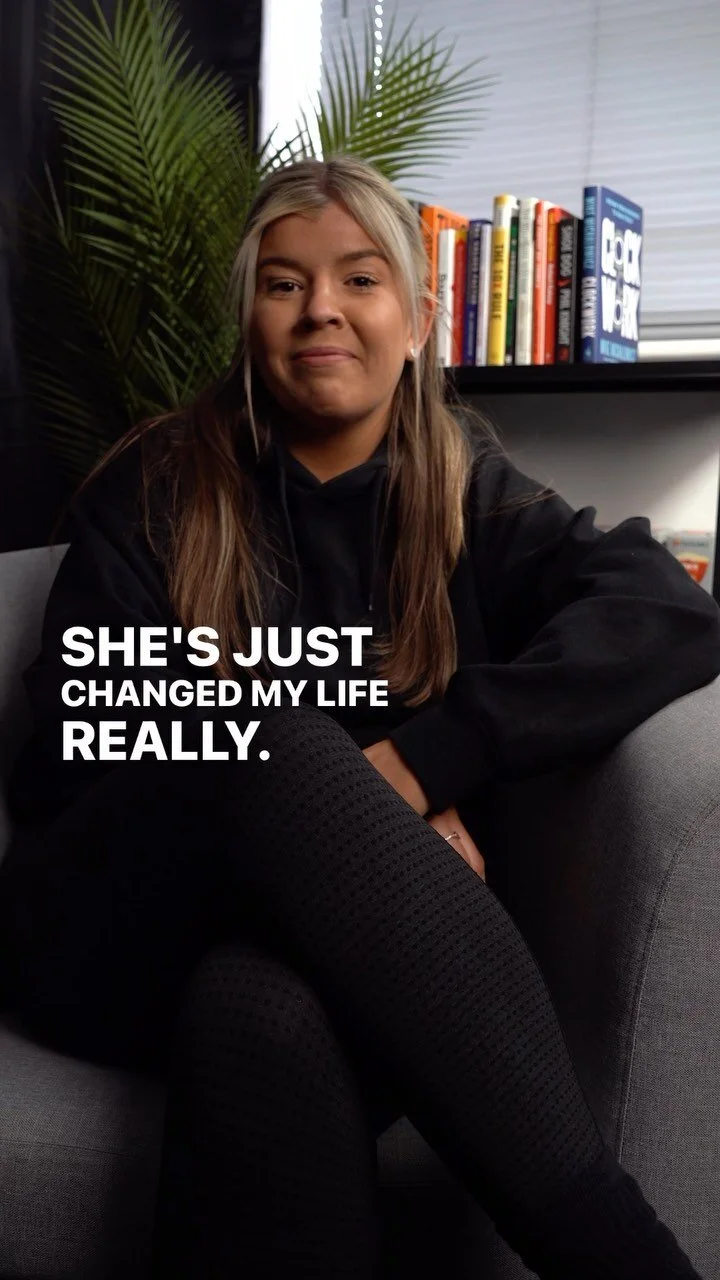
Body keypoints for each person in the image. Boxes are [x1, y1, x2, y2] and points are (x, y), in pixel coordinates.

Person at [0, 155, 718, 1280]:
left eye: (360, 278)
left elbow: (665, 609)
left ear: (420, 319)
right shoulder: (155, 486)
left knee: (261, 1011)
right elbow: (70, 742)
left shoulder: (469, 496)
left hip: (330, 963)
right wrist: (361, 807)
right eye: (283, 283)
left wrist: (426, 763)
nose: (320, 309)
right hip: (107, 930)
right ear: (249, 319)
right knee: (264, 740)